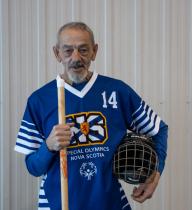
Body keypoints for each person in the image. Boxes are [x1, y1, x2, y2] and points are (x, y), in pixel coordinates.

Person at [14, 22, 168, 210]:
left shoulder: (116, 91)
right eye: (68, 50)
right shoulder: (39, 100)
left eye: (83, 50)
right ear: (57, 54)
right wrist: (48, 146)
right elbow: (33, 167)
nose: (76, 58)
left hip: (110, 203)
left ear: (94, 51)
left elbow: (158, 130)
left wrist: (154, 175)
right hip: (56, 205)